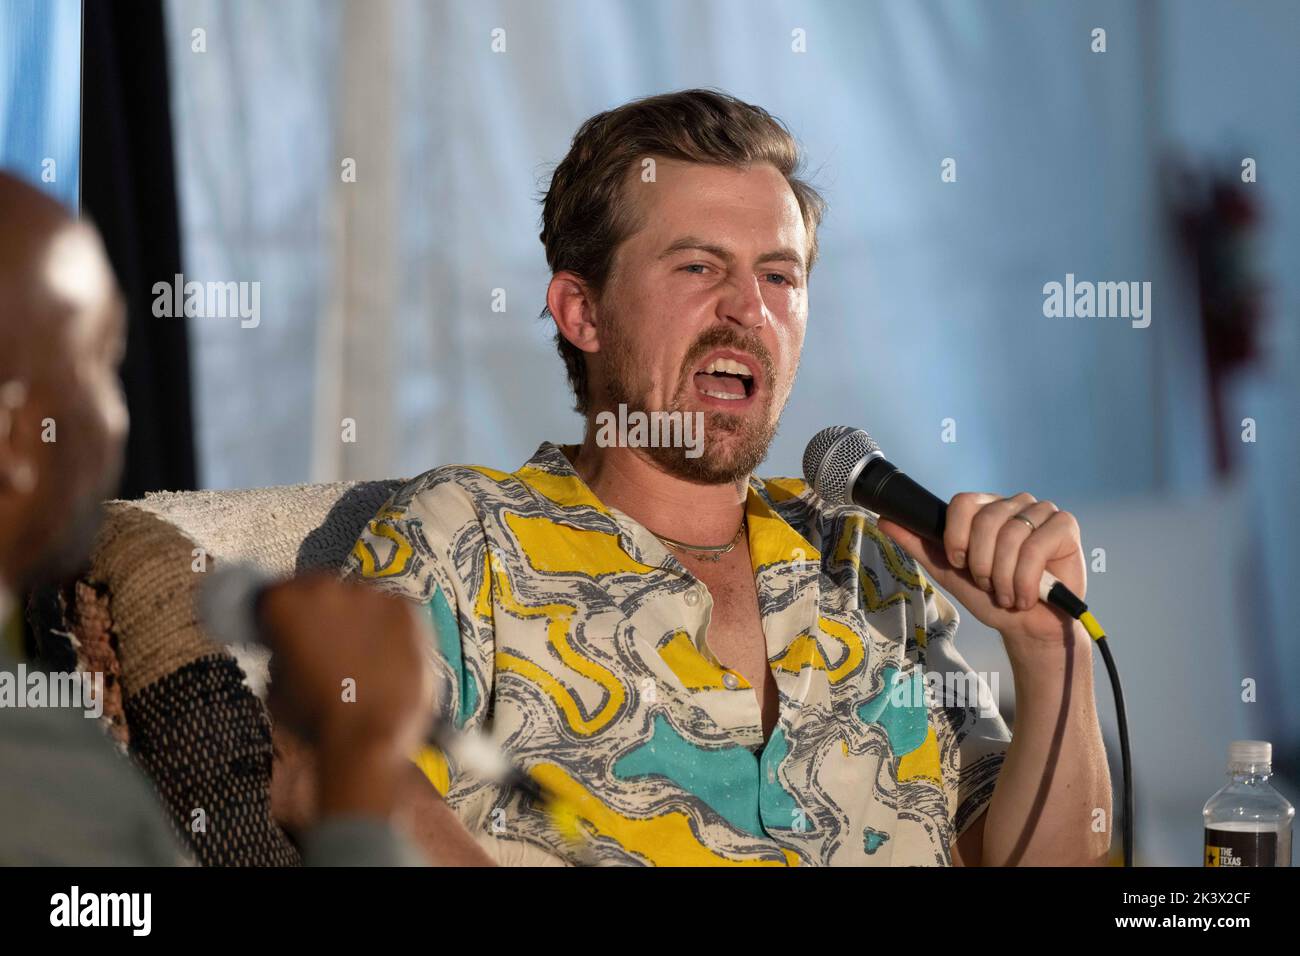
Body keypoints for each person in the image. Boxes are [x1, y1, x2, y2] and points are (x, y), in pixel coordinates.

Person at [343, 89, 1112, 866]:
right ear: (582, 312)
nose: (748, 308)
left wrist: (1052, 656)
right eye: (698, 265)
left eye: (779, 277)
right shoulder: (467, 533)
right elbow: (342, 772)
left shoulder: (861, 562)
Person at [0, 171, 427, 866]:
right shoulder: (35, 776)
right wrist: (360, 759)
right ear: (17, 440)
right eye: (100, 365)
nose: (120, 419)